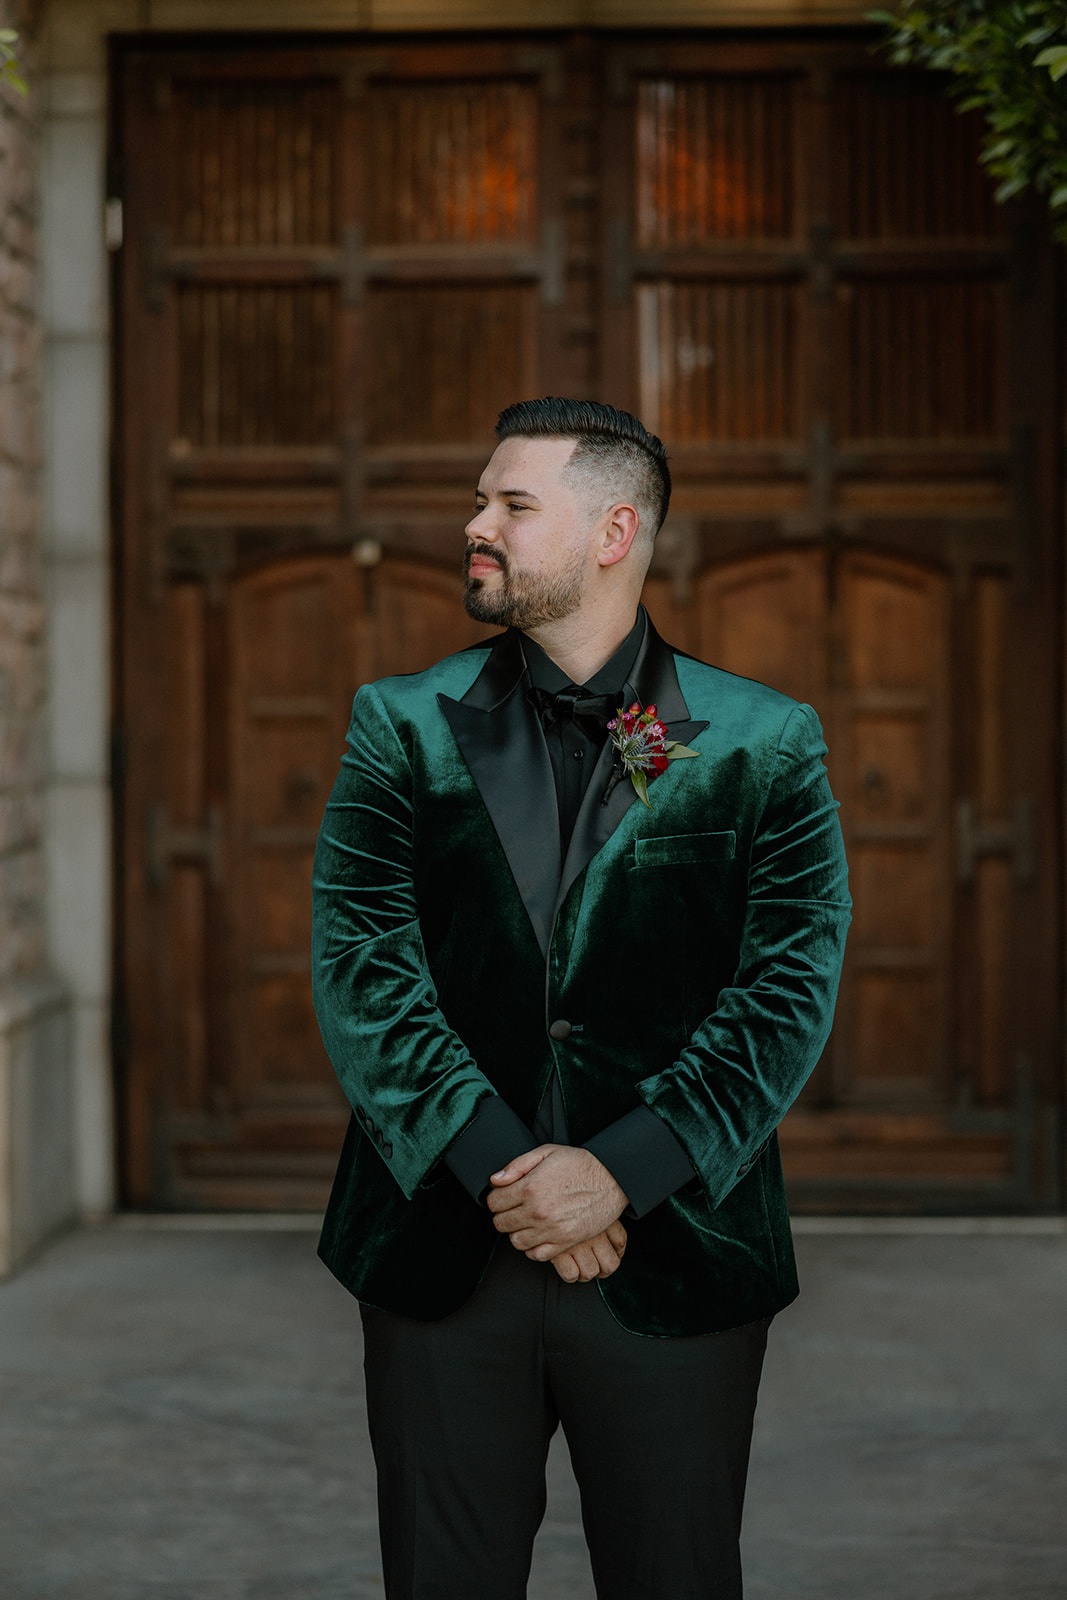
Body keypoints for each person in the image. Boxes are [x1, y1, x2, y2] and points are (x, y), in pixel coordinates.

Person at [312, 396, 851, 1600]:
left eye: (509, 504)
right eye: (479, 499)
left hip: (674, 1256)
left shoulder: (758, 742)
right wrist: (518, 1173)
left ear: (613, 533)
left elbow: (786, 986)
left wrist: (619, 1171)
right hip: (442, 1250)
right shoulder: (398, 725)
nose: (474, 525)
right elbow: (363, 966)